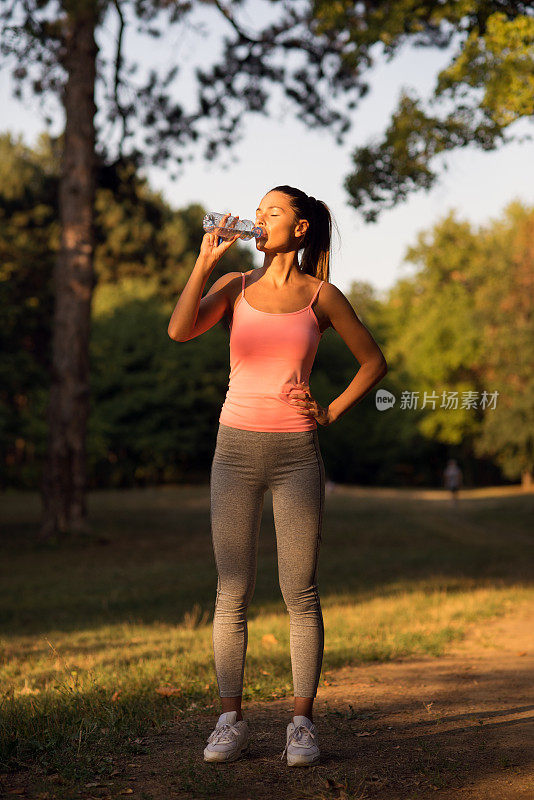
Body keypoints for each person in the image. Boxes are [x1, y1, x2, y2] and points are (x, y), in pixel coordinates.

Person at [168, 185, 388, 766]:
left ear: (300, 228)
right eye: (258, 210)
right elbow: (180, 329)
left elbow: (374, 362)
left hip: (296, 452)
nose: (259, 217)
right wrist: (204, 263)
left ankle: (300, 725)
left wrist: (332, 410)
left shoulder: (323, 297)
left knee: (301, 591)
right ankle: (229, 719)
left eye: (273, 211)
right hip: (234, 448)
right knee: (232, 590)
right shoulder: (235, 286)